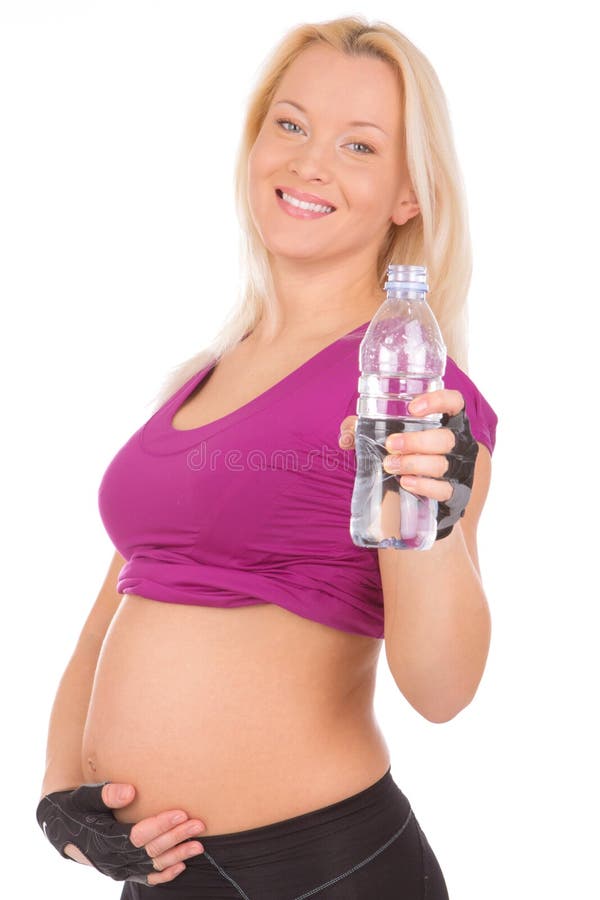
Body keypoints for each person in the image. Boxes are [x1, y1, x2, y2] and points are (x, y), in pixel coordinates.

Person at [36, 15, 498, 899]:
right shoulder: (206, 375)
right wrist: (62, 799)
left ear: (409, 195)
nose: (310, 161)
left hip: (323, 871)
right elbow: (111, 612)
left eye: (359, 145)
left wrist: (431, 516)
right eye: (290, 125)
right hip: (162, 879)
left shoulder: (415, 397)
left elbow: (442, 690)